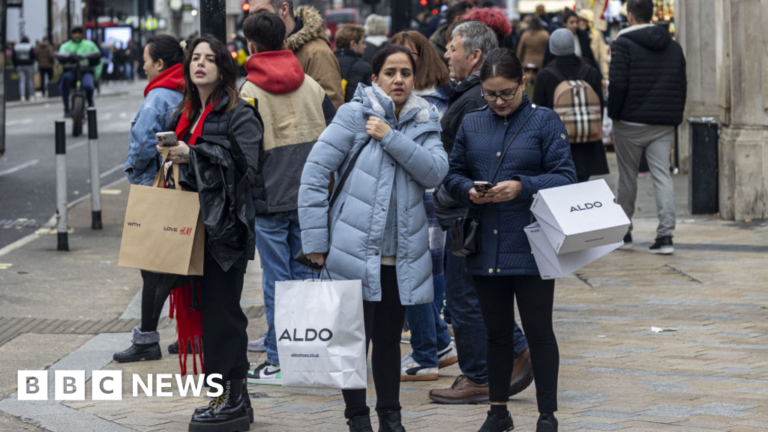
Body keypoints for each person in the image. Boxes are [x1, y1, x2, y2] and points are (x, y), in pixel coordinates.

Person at [298, 44, 449, 432]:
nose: (398, 80)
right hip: (351, 250)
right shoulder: (354, 114)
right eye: (390, 72)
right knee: (351, 341)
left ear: (414, 79)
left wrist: (390, 136)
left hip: (401, 255)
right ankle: (357, 418)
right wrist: (315, 242)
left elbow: (435, 172)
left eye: (406, 73)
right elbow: (314, 175)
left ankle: (391, 418)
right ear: (375, 78)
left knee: (388, 340)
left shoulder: (425, 118)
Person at [444, 48, 576, 432]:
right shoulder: (472, 122)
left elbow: (565, 176)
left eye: (506, 93)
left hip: (532, 244)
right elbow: (452, 174)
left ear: (523, 83)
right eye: (490, 94)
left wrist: (522, 186)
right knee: (497, 334)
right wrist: (469, 190)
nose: (498, 101)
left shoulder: (544, 121)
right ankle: (498, 412)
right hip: (485, 244)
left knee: (539, 332)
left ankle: (547, 416)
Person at [160, 35, 263, 432]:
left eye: (209, 59)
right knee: (212, 318)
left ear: (223, 68)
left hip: (225, 231)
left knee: (224, 318)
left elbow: (248, 169)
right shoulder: (185, 113)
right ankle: (235, 399)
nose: (200, 64)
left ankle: (227, 400)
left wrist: (195, 155)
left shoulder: (240, 112)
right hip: (192, 229)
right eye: (195, 58)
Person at [430, 21, 533, 405]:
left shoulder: (477, 100)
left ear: (474, 55)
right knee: (472, 292)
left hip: (471, 212)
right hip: (469, 207)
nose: (446, 54)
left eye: (452, 47)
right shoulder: (471, 95)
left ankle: (481, 374)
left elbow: (472, 160)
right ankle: (510, 354)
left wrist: (463, 191)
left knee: (464, 295)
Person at [239, 11, 336, 386]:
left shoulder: (249, 92)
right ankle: (307, 357)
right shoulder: (311, 86)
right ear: (284, 40)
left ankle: (279, 359)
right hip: (311, 199)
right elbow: (334, 137)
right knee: (307, 278)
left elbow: (245, 151)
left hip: (269, 200)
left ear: (251, 46)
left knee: (276, 281)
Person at [389, 30, 456, 382]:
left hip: (425, 199)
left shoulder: (426, 106)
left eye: (409, 56)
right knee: (421, 274)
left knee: (416, 275)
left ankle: (425, 353)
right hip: (423, 199)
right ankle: (439, 344)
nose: (401, 66)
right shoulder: (421, 101)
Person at [114, 35, 186, 364]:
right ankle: (190, 335)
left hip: (157, 185)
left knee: (152, 265)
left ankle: (146, 340)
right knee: (178, 260)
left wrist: (135, 172)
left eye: (146, 59)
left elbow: (143, 141)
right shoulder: (186, 89)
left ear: (159, 63)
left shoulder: (158, 96)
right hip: (182, 184)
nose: (142, 65)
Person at [609, 0, 686, 255]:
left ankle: (625, 233)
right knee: (662, 176)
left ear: (630, 16)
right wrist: (674, 117)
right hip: (662, 124)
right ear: (651, 15)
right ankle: (665, 236)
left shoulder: (622, 43)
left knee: (627, 177)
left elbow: (617, 84)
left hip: (629, 122)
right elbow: (681, 84)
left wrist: (614, 115)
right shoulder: (673, 46)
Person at [534, 29, 609, 183]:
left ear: (552, 48)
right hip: (588, 142)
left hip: (558, 144)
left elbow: (538, 111)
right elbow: (599, 105)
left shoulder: (545, 76)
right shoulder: (591, 72)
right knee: (583, 184)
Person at [249, 1, 344, 109]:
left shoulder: (316, 53)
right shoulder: (265, 50)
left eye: (261, 13)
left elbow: (332, 107)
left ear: (284, 9)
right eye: (252, 15)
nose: (255, 22)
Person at [58, 27, 102, 116]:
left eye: (79, 32)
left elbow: (98, 57)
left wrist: (96, 76)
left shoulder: (89, 45)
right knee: (65, 80)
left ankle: (90, 102)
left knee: (88, 86)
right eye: (75, 33)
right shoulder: (66, 46)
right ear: (71, 34)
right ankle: (66, 107)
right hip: (72, 71)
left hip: (86, 71)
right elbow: (59, 57)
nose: (77, 35)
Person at [542, 9, 599, 74]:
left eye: (577, 22)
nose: (575, 25)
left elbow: (590, 58)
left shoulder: (583, 37)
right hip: (560, 73)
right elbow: (548, 58)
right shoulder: (557, 37)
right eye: (572, 22)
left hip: (580, 73)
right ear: (565, 24)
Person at [334, 24, 372, 103]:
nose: (365, 46)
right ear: (353, 44)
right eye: (362, 42)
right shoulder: (364, 68)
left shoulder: (328, 62)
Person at [577, 9, 609, 78]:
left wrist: (605, 75)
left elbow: (602, 56)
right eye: (580, 20)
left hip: (592, 70)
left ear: (589, 22)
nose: (581, 23)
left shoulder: (596, 35)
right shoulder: (575, 35)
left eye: (584, 20)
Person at [12, 36, 35, 102]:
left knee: (22, 81)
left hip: (19, 65)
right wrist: (31, 63)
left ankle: (22, 96)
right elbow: (33, 56)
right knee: (30, 81)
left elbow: (13, 57)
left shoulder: (16, 47)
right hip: (28, 65)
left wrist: (15, 65)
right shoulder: (30, 46)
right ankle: (31, 96)